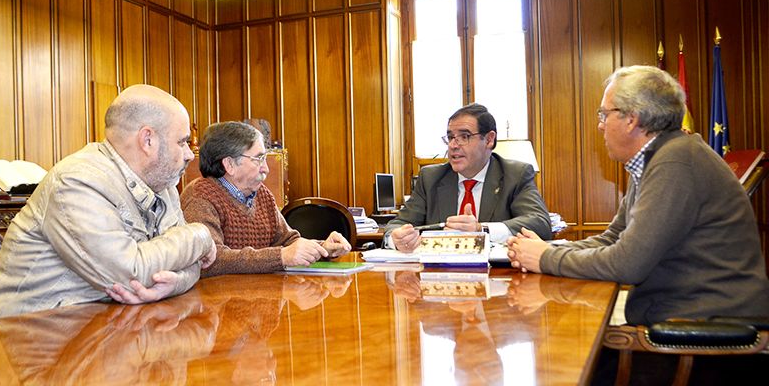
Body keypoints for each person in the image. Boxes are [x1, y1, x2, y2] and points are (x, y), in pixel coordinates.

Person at [506, 65, 769, 327]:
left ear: (631, 119)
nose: (600, 125)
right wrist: (547, 249)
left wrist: (544, 258)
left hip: (709, 330)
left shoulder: (675, 162)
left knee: (570, 346)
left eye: (604, 114)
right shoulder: (654, 159)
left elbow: (626, 264)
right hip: (682, 318)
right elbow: (613, 238)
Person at [0, 84, 216, 322]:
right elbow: (131, 276)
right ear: (147, 140)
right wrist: (201, 237)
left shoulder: (162, 184)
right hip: (19, 337)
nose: (189, 154)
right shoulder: (76, 181)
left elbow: (191, 262)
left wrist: (176, 283)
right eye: (182, 142)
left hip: (99, 329)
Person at [180, 121, 351, 276]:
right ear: (230, 165)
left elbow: (288, 241)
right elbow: (211, 261)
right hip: (217, 299)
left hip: (260, 296)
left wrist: (323, 248)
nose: (266, 169)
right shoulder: (200, 197)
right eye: (259, 159)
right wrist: (280, 257)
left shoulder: (262, 194)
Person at [385, 103, 551, 253]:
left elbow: (540, 222)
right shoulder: (431, 178)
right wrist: (396, 239)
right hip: (439, 273)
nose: (453, 146)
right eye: (451, 137)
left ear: (489, 140)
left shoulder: (515, 175)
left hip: (499, 274)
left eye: (464, 137)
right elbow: (397, 225)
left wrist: (481, 230)